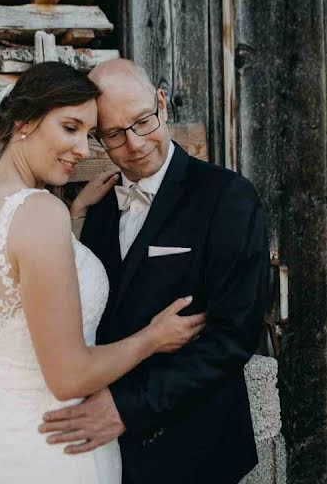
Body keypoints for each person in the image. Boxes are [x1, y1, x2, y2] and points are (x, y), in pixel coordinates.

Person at [0, 61, 205, 483]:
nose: (84, 150)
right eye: (70, 128)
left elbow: (16, 302)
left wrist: (75, 218)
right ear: (25, 122)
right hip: (51, 452)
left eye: (89, 134)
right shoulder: (39, 212)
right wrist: (153, 338)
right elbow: (69, 377)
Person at [40, 59, 269, 484]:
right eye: (113, 133)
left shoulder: (227, 197)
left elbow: (232, 337)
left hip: (194, 449)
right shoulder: (99, 208)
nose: (134, 143)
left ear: (161, 104)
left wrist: (129, 406)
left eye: (143, 121)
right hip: (107, 455)